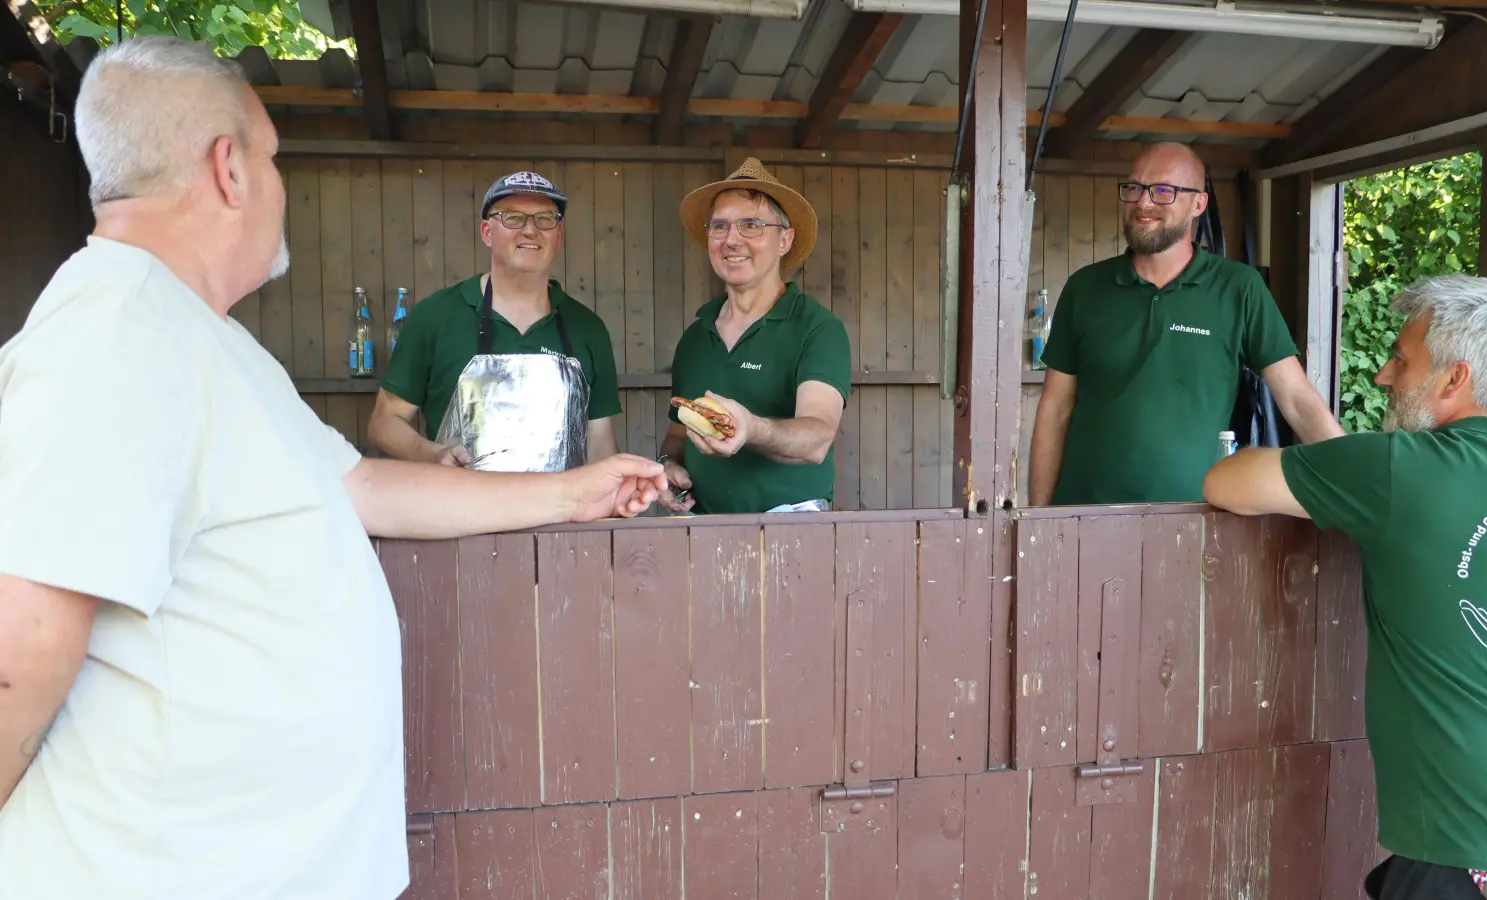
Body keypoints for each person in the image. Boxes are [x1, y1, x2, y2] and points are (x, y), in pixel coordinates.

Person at [0, 37, 664, 900]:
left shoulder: (211, 341)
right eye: (275, 158)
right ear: (230, 169)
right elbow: (22, 644)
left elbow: (365, 488)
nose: (281, 185)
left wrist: (574, 491)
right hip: (172, 873)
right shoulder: (113, 329)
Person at [1204, 274, 1487, 899]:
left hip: (1478, 861)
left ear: (1454, 378)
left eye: (1401, 359)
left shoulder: (1398, 469)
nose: (1384, 375)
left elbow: (1225, 482)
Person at [1027, 141, 1345, 507]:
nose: (1143, 202)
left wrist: (1358, 478)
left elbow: (1296, 398)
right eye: (1134, 188)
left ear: (1198, 204)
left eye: (1163, 190)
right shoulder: (1085, 288)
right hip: (1084, 516)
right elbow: (1054, 410)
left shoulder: (1239, 288)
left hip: (1196, 519)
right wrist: (1037, 517)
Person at [368, 170, 622, 468]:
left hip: (566, 500)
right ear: (487, 232)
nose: (530, 230)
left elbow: (600, 448)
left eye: (545, 218)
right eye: (513, 218)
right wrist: (433, 455)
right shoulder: (435, 316)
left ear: (559, 235)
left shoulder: (588, 329)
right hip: (459, 498)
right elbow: (385, 422)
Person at [656, 158, 851, 515]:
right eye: (720, 226)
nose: (732, 240)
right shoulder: (695, 337)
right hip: (701, 531)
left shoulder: (818, 328)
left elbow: (817, 438)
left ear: (785, 240)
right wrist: (667, 467)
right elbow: (677, 435)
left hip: (793, 529)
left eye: (751, 225)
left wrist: (751, 429)